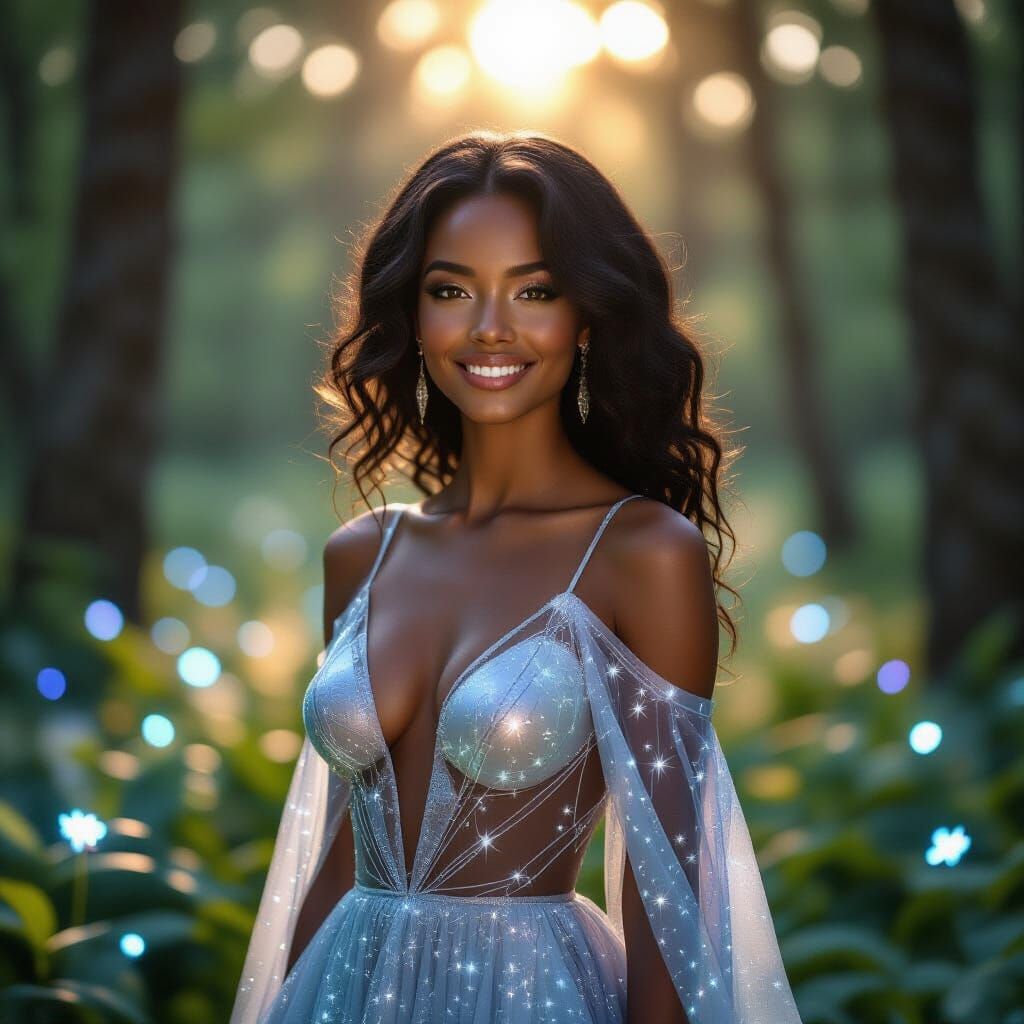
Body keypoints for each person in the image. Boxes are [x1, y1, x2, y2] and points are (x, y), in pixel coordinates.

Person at [230, 130, 802, 1023]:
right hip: (340, 990)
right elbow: (344, 850)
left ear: (588, 315)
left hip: (528, 996)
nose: (490, 326)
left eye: (534, 290)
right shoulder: (363, 553)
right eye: (451, 289)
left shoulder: (639, 552)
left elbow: (669, 900)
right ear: (412, 317)